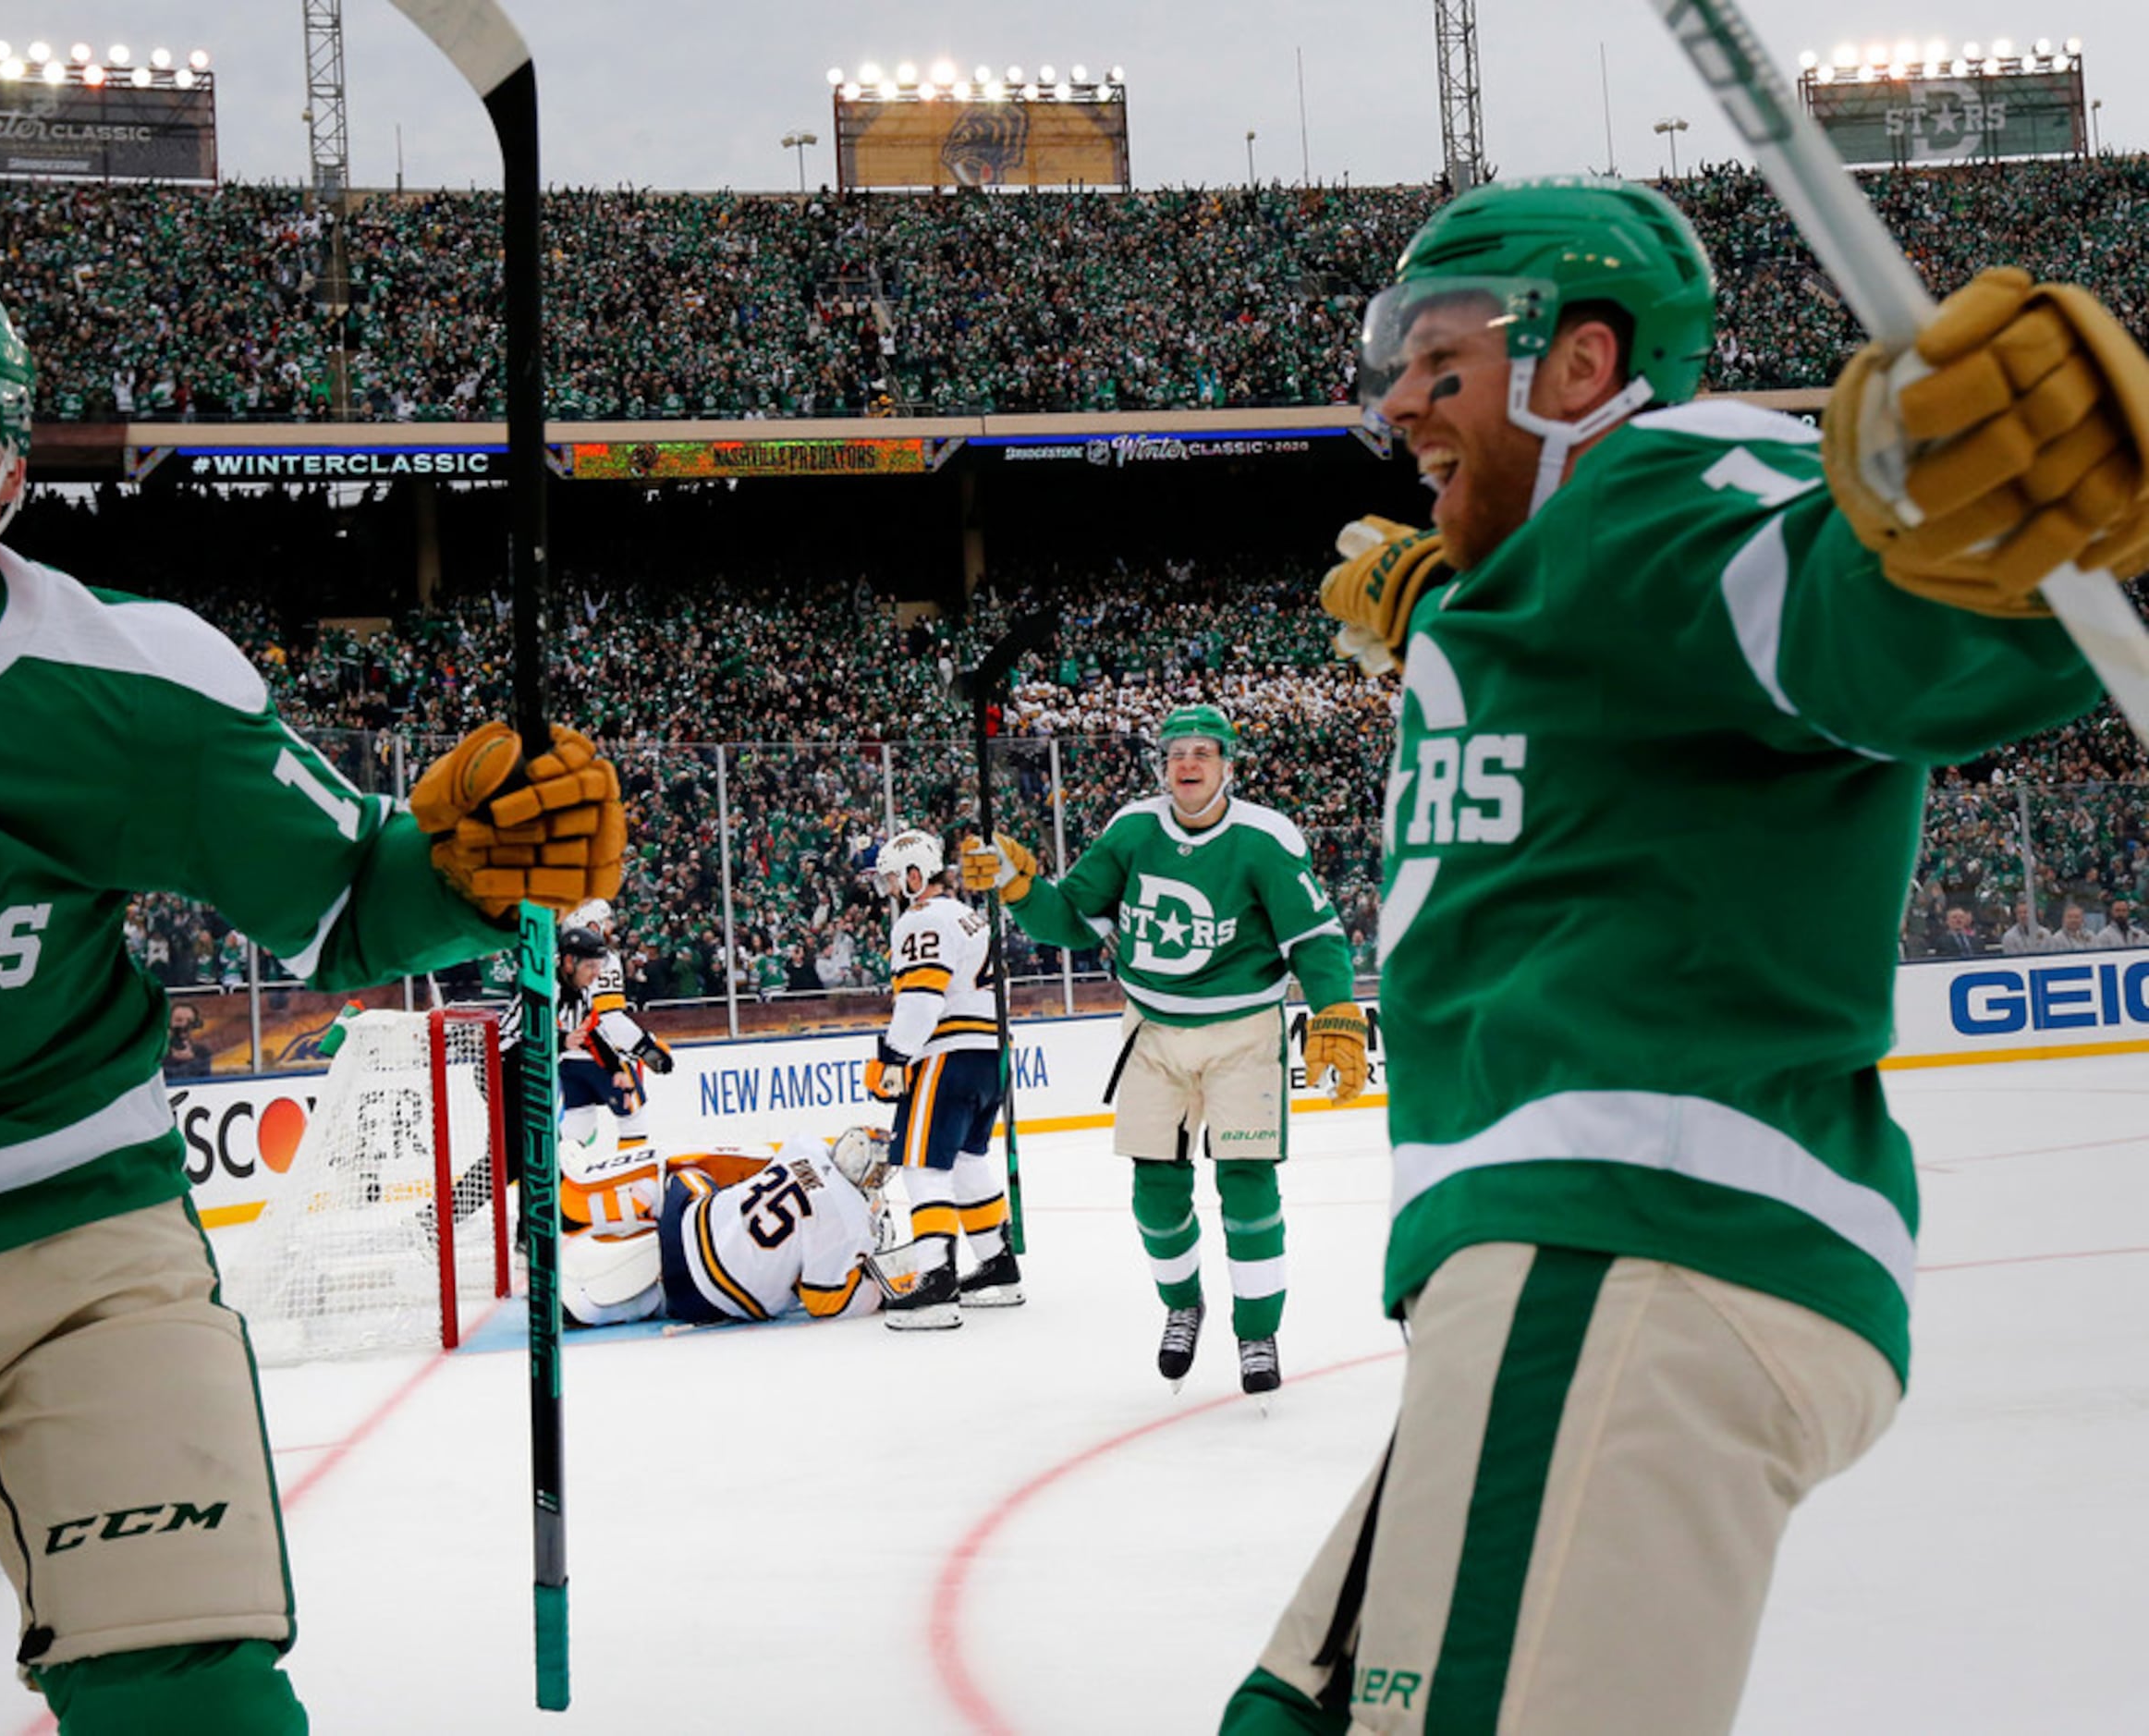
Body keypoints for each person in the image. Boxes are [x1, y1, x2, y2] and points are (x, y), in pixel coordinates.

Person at [1226, 177, 2138, 1734]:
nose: (1394, 398)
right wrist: (1448, 597)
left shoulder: (1667, 473)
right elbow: (1618, 650)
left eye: (1433, 353)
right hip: (1570, 1253)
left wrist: (1985, 514)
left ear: (1573, 367)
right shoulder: (1559, 554)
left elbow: (1872, 621)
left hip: (1629, 1231)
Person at [0, 254, 624, 1736]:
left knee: (193, 1700)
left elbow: (346, 909)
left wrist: (475, 868)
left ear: (6, 468)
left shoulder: (140, 686)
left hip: (65, 1255)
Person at [966, 704, 1367, 1397]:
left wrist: (1334, 1008)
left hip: (1243, 1032)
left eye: (1203, 753)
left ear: (1228, 766)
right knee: (1154, 1195)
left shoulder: (1265, 839)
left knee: (1246, 1185)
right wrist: (1018, 886)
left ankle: (1256, 1329)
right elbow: (1070, 920)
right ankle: (1184, 1306)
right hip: (1151, 1030)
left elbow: (1316, 936)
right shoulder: (1132, 830)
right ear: (1163, 765)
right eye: (1177, 752)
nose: (1188, 763)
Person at [861, 828, 1023, 1330]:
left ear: (915, 875)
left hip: (947, 1054)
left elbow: (922, 998)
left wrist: (893, 1057)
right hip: (991, 1054)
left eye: (893, 878)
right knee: (966, 1160)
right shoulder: (965, 914)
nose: (889, 889)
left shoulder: (922, 919)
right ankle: (998, 1266)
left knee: (920, 1163)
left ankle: (935, 1283)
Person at [553, 1127, 894, 1327]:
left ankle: (598, 1207)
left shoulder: (806, 1145)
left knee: (688, 1176)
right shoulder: (850, 1221)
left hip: (685, 1224)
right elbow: (823, 1301)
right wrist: (876, 1293)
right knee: (668, 1296)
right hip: (715, 1299)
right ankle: (597, 1307)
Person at [566, 896, 676, 1156]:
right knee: (633, 1119)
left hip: (567, 1058)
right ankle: (631, 1188)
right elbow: (609, 1018)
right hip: (601, 1055)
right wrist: (647, 1047)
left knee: (577, 1128)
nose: (609, 928)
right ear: (591, 925)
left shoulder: (557, 959)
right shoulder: (602, 959)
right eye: (605, 923)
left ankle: (565, 1187)